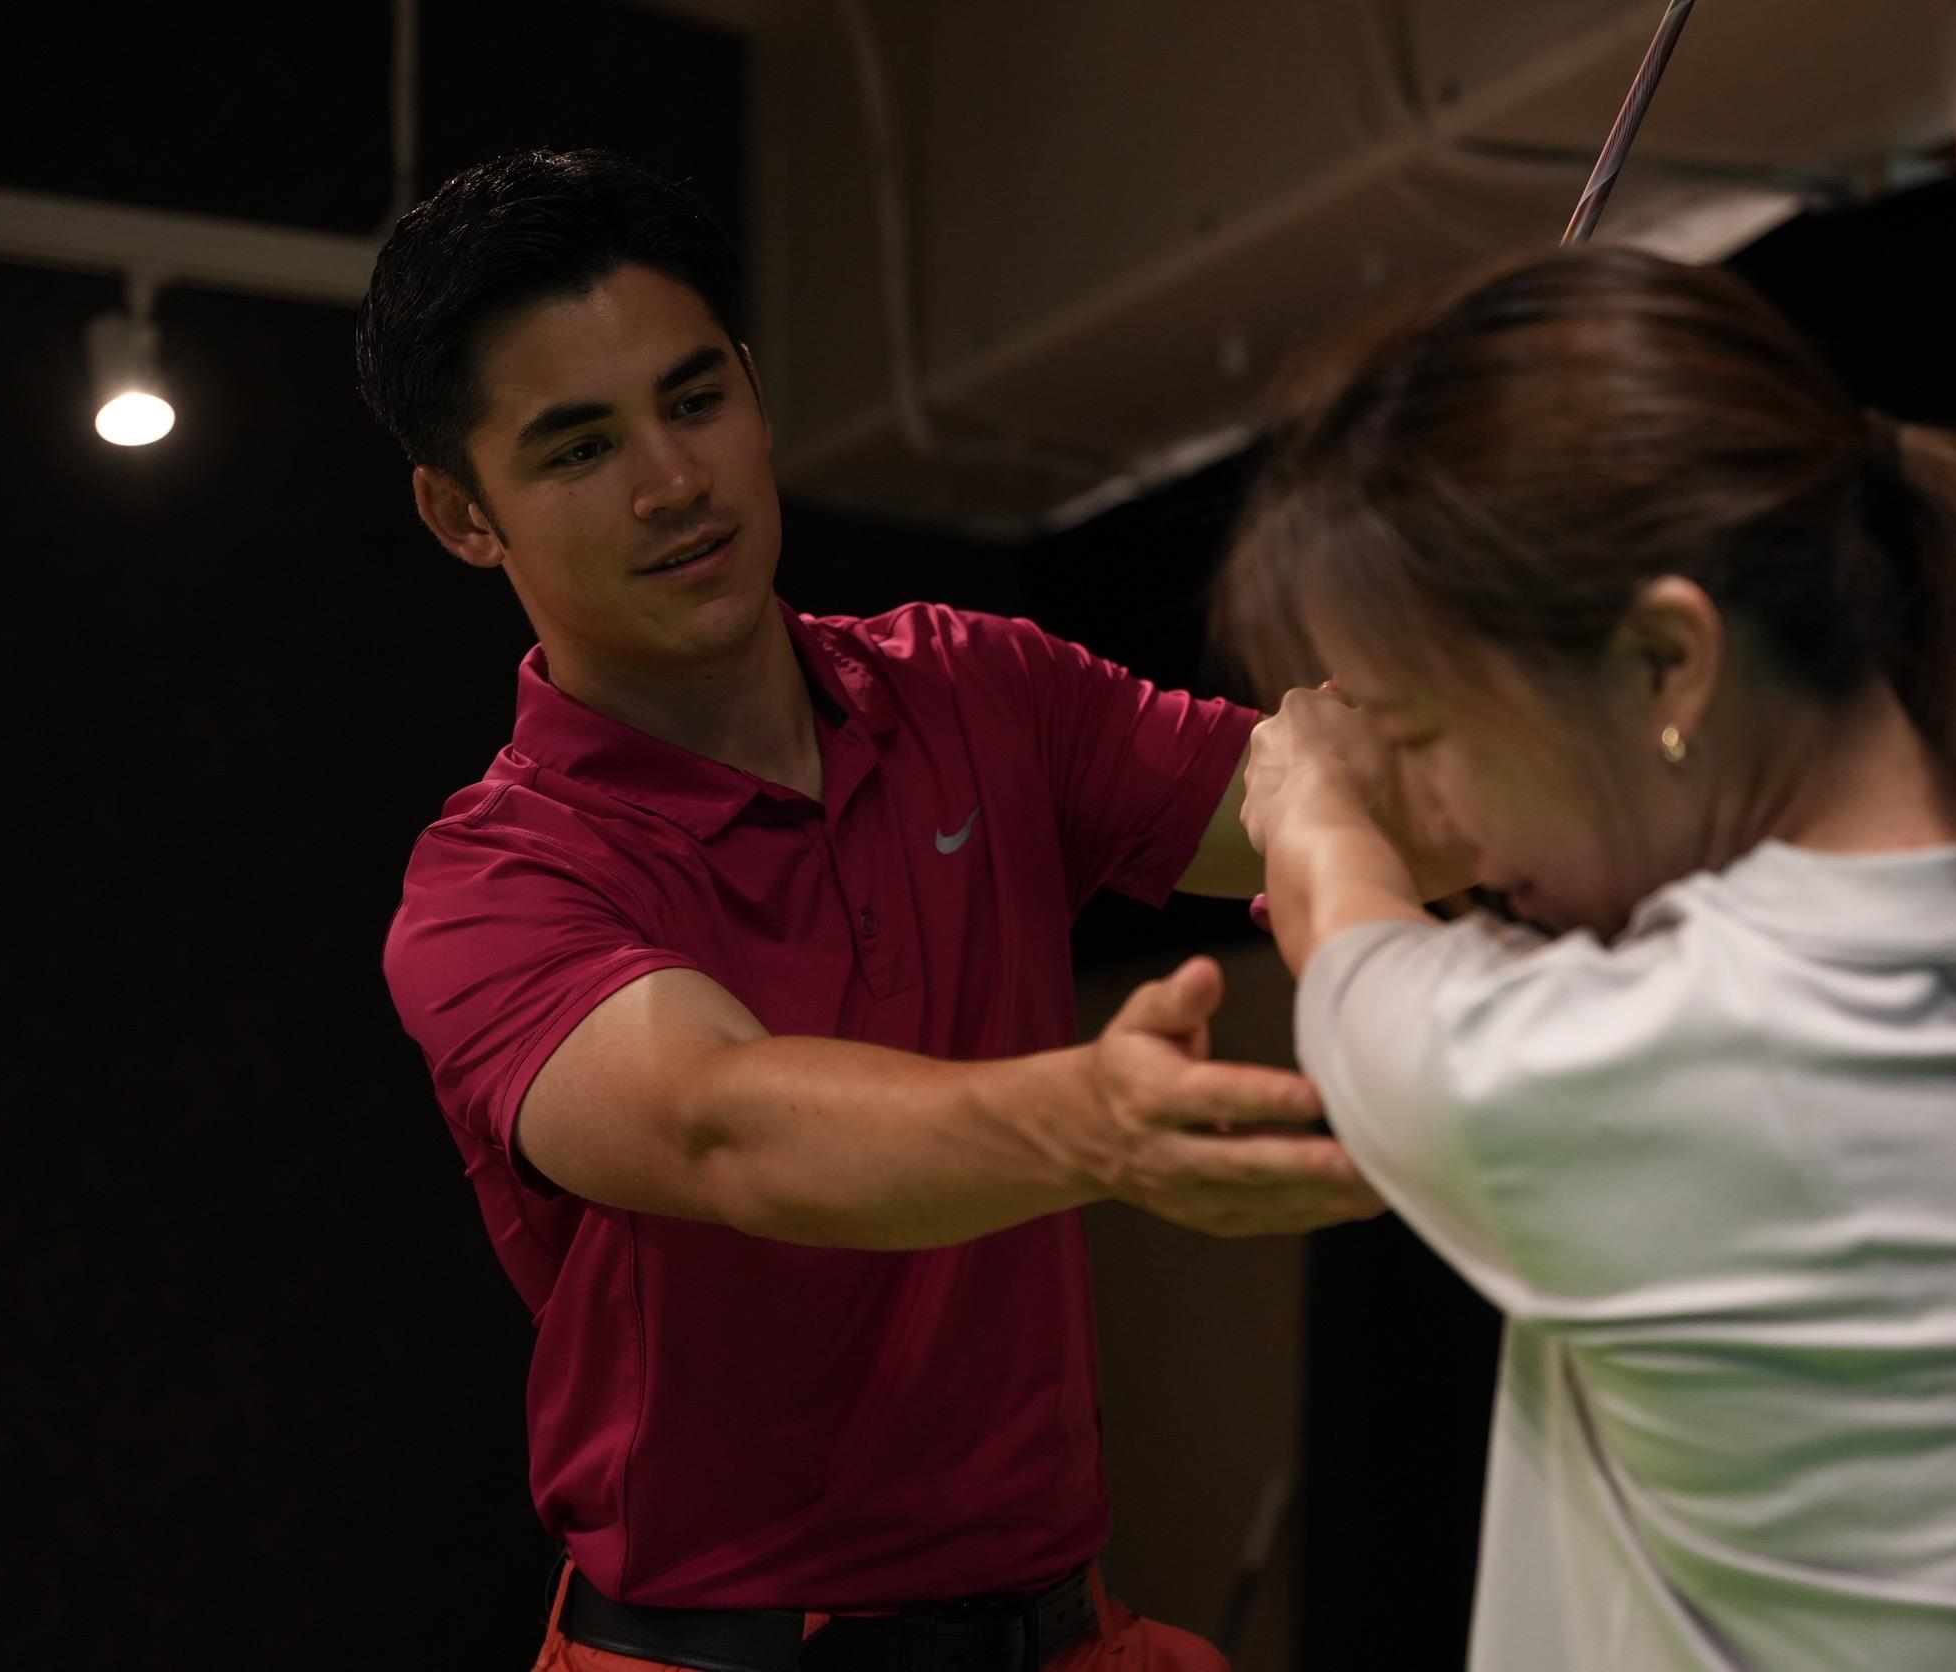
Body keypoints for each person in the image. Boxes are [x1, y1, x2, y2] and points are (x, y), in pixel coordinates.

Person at [357, 148, 1393, 1671]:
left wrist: (1460, 707)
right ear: (461, 514)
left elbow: (1303, 809)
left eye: (695, 400)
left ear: (757, 393)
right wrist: (1092, 1122)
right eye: (578, 449)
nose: (672, 482)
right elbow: (723, 1125)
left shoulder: (973, 685)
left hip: (1069, 1633)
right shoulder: (495, 881)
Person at [1224, 246, 1956, 1671]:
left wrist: (1316, 793)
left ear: (1670, 663)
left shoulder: (1614, 1062)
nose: (1440, 821)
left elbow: (1350, 951)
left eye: (1427, 740)